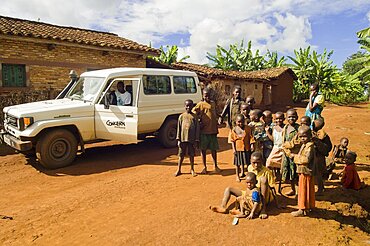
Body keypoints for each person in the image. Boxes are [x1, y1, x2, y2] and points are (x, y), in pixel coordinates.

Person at [192, 88, 221, 174]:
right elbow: (193, 112)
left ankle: (215, 166)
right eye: (205, 96)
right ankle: (205, 167)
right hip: (204, 131)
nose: (207, 97)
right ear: (203, 96)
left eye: (208, 95)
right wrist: (198, 121)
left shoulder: (212, 103)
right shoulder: (200, 104)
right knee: (203, 150)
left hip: (213, 130)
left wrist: (219, 118)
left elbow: (215, 113)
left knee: (214, 150)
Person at [290, 125, 315, 217]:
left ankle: (302, 208)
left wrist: (294, 157)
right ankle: (308, 207)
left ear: (310, 136)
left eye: (304, 136)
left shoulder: (309, 147)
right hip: (304, 171)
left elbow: (306, 159)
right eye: (300, 137)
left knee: (303, 190)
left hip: (305, 171)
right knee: (307, 189)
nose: (302, 139)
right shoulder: (305, 145)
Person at [174, 99, 200, 177]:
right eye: (187, 106)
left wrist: (196, 139)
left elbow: (197, 129)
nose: (188, 107)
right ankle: (178, 169)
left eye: (190, 106)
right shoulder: (181, 116)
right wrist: (178, 139)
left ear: (192, 106)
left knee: (191, 154)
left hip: (191, 139)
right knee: (181, 155)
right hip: (182, 139)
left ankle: (192, 169)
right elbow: (178, 128)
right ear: (184, 106)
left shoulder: (194, 117)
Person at [247, 152, 276, 219]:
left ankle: (263, 209)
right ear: (250, 161)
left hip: (264, 197)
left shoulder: (267, 172)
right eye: (254, 163)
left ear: (262, 161)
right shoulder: (249, 168)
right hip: (253, 194)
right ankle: (223, 206)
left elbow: (272, 188)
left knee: (263, 180)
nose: (256, 165)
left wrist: (277, 203)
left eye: (258, 162)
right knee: (229, 189)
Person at [281, 109, 300, 196]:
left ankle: (298, 192)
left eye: (293, 116)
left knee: (296, 174)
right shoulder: (285, 128)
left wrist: (288, 145)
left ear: (297, 117)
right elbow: (283, 140)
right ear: (286, 118)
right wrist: (285, 149)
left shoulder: (299, 129)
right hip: (286, 155)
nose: (291, 118)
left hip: (295, 155)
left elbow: (298, 142)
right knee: (289, 173)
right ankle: (293, 189)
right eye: (289, 117)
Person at [230, 114, 253, 182]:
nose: (240, 123)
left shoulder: (247, 128)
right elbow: (232, 140)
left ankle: (247, 174)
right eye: (239, 122)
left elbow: (251, 137)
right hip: (238, 149)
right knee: (238, 164)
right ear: (236, 122)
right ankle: (237, 175)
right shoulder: (234, 130)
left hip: (246, 148)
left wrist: (251, 145)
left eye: (242, 122)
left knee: (247, 162)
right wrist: (234, 149)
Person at [311, 118, 332, 194]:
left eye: (314, 124)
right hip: (319, 156)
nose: (312, 125)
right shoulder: (318, 133)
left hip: (318, 157)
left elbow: (324, 146)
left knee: (318, 173)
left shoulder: (321, 135)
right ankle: (320, 187)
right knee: (317, 173)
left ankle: (320, 189)